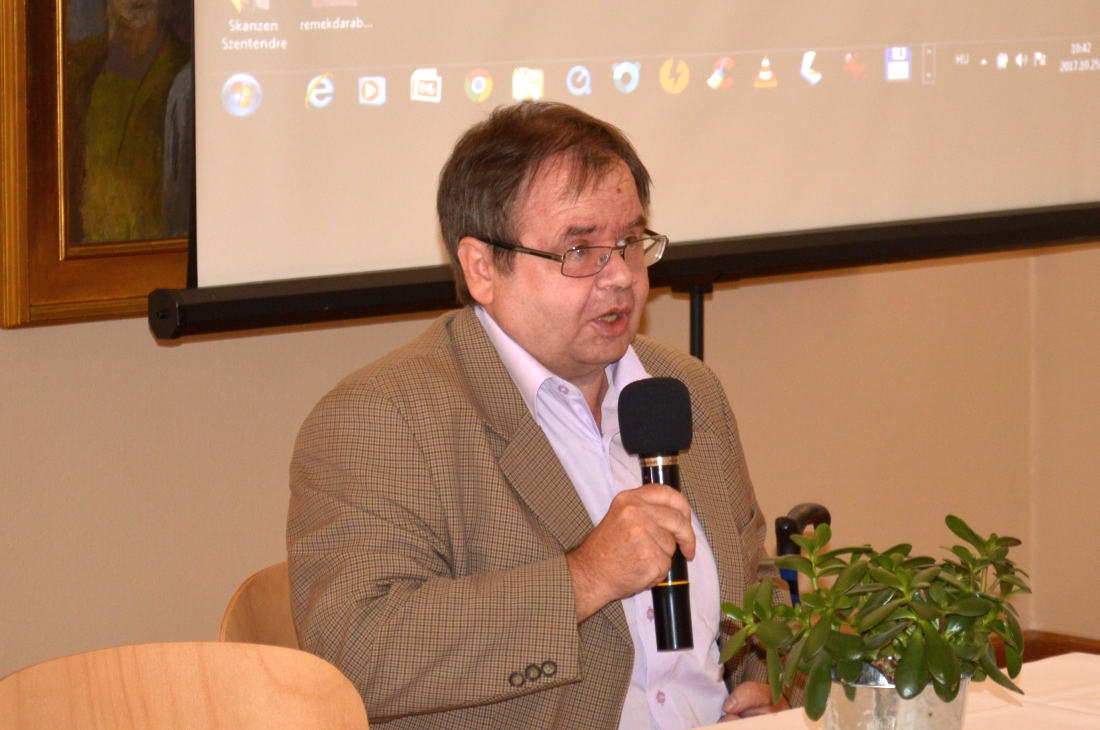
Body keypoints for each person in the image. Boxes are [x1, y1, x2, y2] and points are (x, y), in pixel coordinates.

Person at [287, 101, 802, 729]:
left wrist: (772, 680)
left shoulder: (684, 387)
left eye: (629, 243)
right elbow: (356, 656)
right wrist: (585, 577)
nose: (621, 278)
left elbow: (755, 580)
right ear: (482, 268)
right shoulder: (382, 420)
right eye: (579, 250)